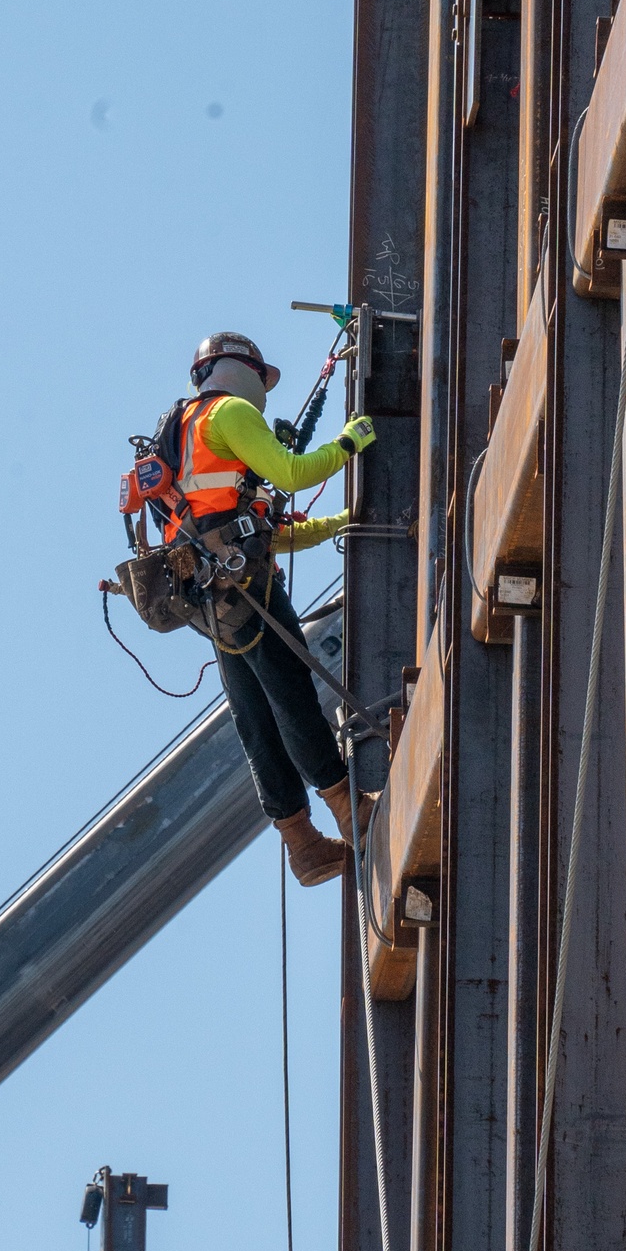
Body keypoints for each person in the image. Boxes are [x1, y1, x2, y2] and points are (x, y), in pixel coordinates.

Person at [152, 331, 378, 886]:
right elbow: (294, 475)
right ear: (241, 370)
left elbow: (262, 529)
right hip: (246, 585)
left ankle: (302, 845)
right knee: (291, 692)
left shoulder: (179, 431)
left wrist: (338, 523)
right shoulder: (227, 413)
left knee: (255, 715)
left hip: (207, 596)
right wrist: (351, 442)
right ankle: (351, 809)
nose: (266, 394)